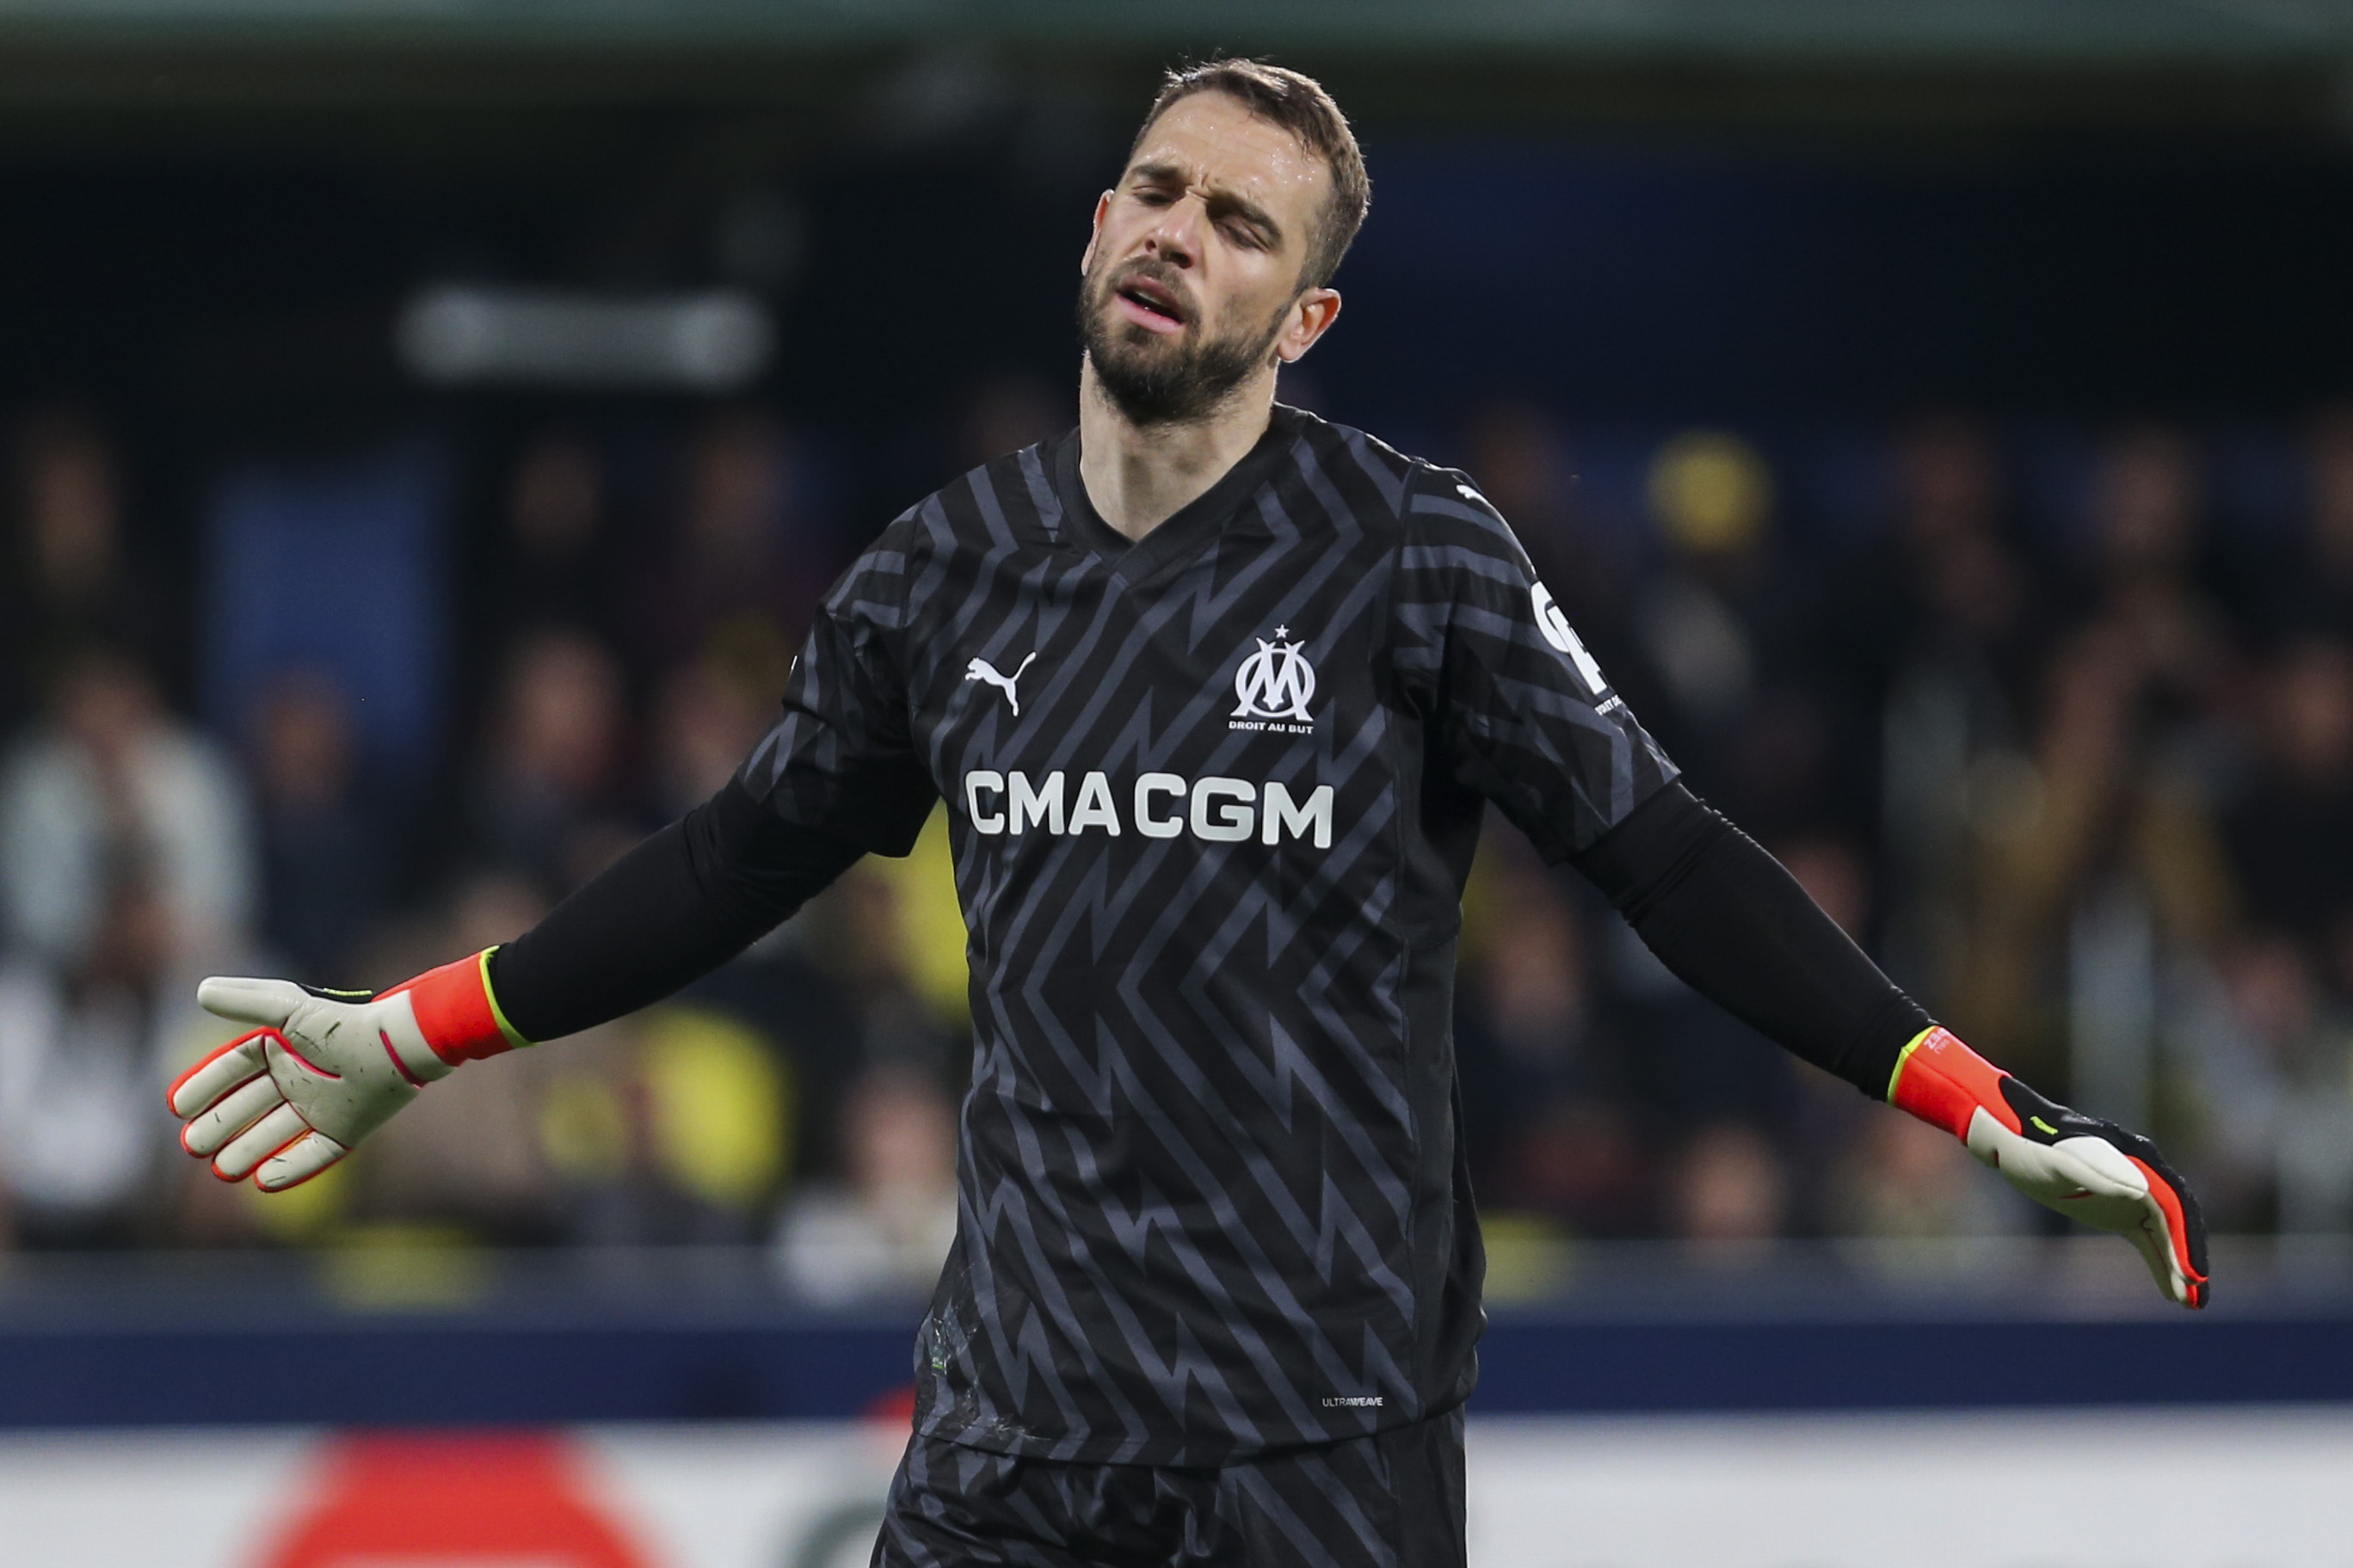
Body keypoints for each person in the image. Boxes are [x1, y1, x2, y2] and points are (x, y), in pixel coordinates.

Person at [157, 60, 2205, 1568]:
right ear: (1092, 226)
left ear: (1303, 323)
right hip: (1014, 1437)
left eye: (1241, 225)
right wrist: (421, 1031)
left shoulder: (1415, 560)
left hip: (1320, 1447)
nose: (1177, 232)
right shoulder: (942, 574)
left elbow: (1665, 858)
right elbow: (732, 859)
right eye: (1156, 187)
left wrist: (1964, 1095)